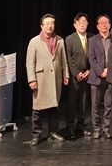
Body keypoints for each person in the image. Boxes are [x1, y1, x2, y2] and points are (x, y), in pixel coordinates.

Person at [25, 14, 69, 146]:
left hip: (55, 78)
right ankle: (36, 134)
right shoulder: (34, 41)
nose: (50, 26)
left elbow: (64, 59)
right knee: (37, 109)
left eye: (52, 23)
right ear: (42, 26)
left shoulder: (60, 40)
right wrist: (31, 80)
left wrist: (66, 75)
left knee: (54, 107)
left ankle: (52, 132)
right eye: (47, 24)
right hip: (41, 79)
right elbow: (29, 62)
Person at [65, 12, 93, 139]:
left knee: (83, 102)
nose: (82, 24)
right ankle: (70, 127)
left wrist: (90, 70)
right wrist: (76, 73)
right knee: (72, 102)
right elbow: (68, 58)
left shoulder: (92, 38)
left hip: (87, 74)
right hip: (74, 76)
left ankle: (81, 126)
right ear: (75, 25)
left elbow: (94, 56)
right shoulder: (69, 39)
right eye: (79, 22)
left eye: (84, 22)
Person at [87, 14, 112, 139]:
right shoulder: (92, 40)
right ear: (97, 26)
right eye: (101, 23)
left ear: (110, 25)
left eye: (106, 22)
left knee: (109, 105)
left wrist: (109, 70)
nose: (104, 25)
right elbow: (91, 59)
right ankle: (96, 129)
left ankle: (107, 128)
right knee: (95, 106)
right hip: (96, 77)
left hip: (111, 77)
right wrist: (100, 71)